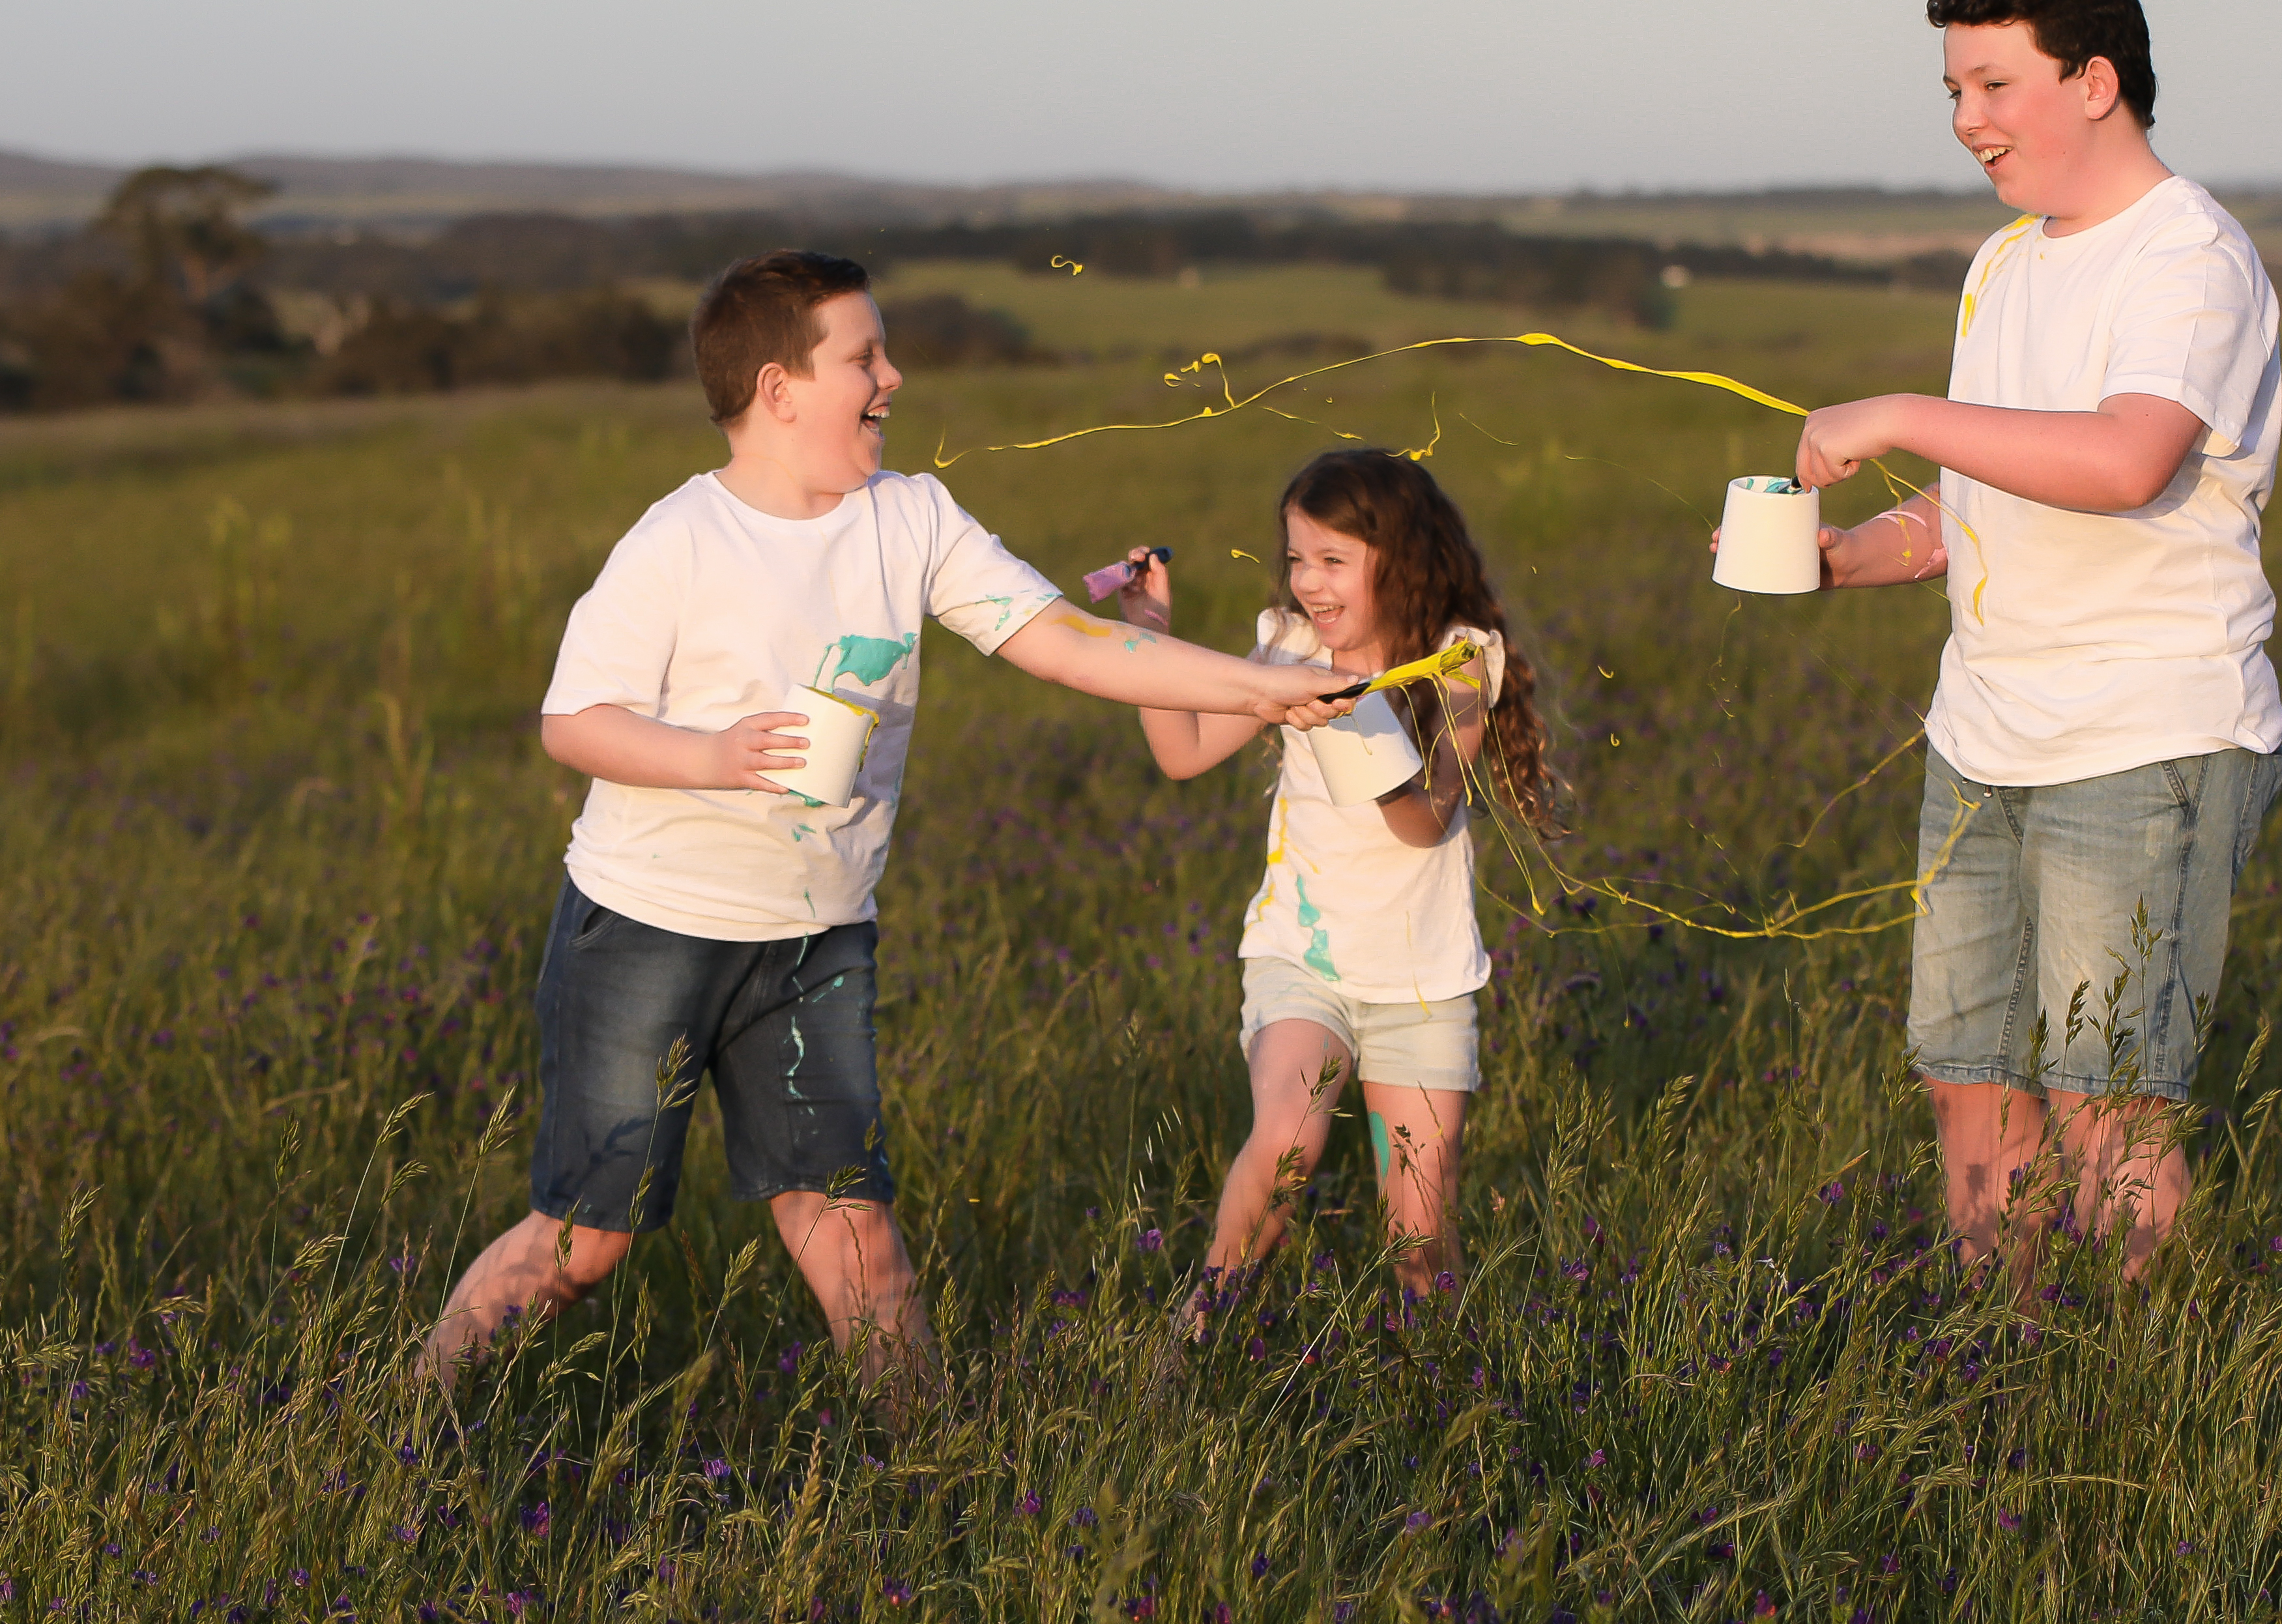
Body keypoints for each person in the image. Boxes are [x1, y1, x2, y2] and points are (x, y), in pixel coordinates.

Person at [420, 251, 1350, 1393]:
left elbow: (1062, 640)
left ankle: (939, 1476)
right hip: (647, 929)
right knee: (584, 1243)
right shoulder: (678, 539)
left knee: (858, 1239)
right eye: (865, 357)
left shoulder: (911, 516)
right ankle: (415, 1418)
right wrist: (708, 757)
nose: (894, 377)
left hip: (816, 939)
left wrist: (1259, 690)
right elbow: (574, 720)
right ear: (779, 389)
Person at [1785, 0, 2282, 1278]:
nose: (1967, 123)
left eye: (1995, 86)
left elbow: (2124, 460)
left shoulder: (2191, 259)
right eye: (1953, 90)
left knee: (2102, 1104)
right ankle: (2006, 1382)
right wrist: (1832, 559)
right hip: (1981, 740)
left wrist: (1892, 408)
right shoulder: (2002, 267)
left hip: (2143, 741)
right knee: (1966, 1081)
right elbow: (1970, 506)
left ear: (2095, 81)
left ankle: (2141, 1413)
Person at [1105, 448, 1559, 1316]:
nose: (1307, 582)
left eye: (1332, 560)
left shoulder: (1457, 662)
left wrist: (1362, 719)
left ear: (1402, 559)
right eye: (1296, 558)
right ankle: (1194, 1338)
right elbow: (1183, 751)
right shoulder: (1290, 644)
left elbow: (1423, 821)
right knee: (1286, 1142)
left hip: (1422, 981)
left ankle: (1440, 1388)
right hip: (1301, 959)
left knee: (1419, 1230)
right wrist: (1150, 636)